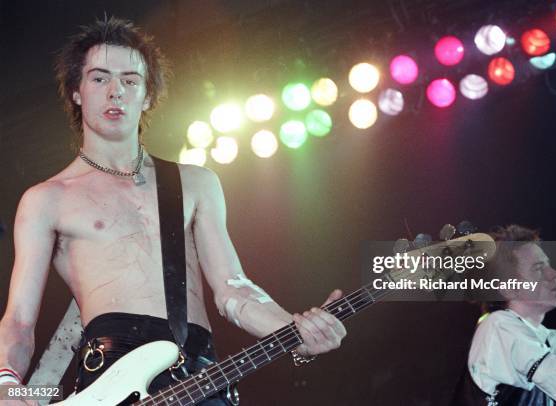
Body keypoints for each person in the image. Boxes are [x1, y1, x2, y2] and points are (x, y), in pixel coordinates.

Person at [0, 16, 346, 405]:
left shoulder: (196, 183)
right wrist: (7, 383)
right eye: (100, 79)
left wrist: (297, 331)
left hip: (199, 375)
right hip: (108, 378)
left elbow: (233, 289)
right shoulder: (47, 198)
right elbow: (18, 321)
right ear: (77, 92)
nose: (116, 91)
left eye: (130, 81)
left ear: (147, 96)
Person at [457, 225, 556, 405]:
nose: (554, 273)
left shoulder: (550, 339)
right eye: (538, 268)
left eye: (549, 265)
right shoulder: (499, 327)